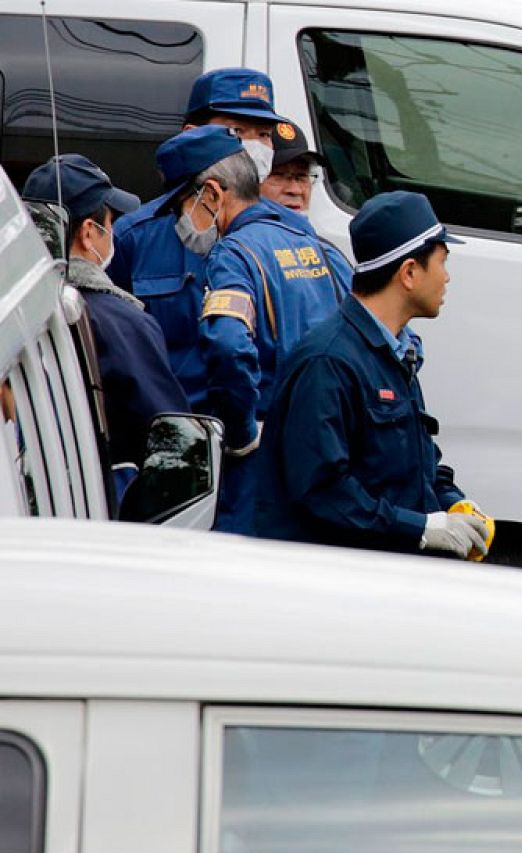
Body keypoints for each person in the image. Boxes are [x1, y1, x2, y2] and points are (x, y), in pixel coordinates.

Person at [255, 191, 489, 558]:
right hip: (337, 583)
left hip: (384, 574)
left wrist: (452, 503)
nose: (447, 278)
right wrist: (422, 529)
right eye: (442, 262)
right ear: (409, 272)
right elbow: (322, 490)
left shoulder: (394, 351)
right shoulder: (328, 361)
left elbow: (418, 459)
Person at [108, 68, 341, 408]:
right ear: (192, 134)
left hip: (257, 432)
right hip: (173, 431)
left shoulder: (290, 230)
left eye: (263, 134)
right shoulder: (134, 236)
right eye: (236, 130)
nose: (252, 146)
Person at [152, 125, 344, 533]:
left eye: (183, 205)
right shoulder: (321, 249)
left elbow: (227, 344)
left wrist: (240, 433)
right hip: (328, 452)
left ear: (214, 195)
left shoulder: (234, 254)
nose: (181, 220)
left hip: (263, 461)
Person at [20, 154, 189, 504]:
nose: (112, 231)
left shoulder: (16, 310)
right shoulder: (121, 323)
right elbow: (172, 437)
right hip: (96, 513)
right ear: (87, 232)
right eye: (110, 220)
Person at [261, 118, 355, 287]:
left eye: (301, 177)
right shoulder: (240, 250)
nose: (295, 190)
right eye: (279, 176)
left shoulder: (328, 253)